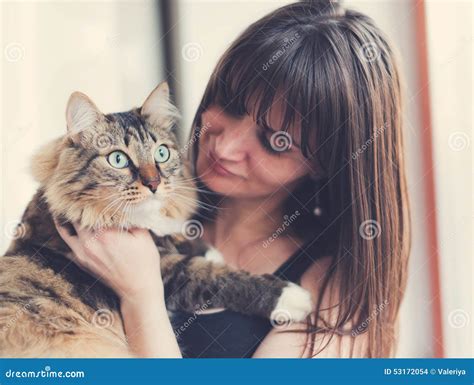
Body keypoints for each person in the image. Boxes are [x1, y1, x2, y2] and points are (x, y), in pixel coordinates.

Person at [56, 0, 410, 358]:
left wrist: (141, 294)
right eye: (231, 104)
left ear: (324, 163)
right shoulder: (136, 203)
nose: (224, 147)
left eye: (275, 141)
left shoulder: (334, 294)